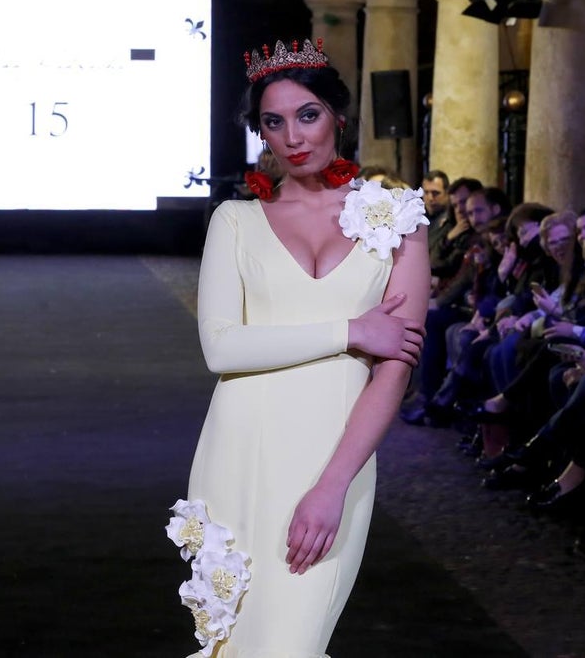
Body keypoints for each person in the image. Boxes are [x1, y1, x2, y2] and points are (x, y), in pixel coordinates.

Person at [170, 39, 430, 658]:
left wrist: (331, 486)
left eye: (308, 114)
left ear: (338, 116)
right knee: (235, 646)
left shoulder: (398, 220)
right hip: (239, 450)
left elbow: (393, 374)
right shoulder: (234, 222)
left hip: (332, 460)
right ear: (259, 131)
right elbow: (221, 349)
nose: (294, 136)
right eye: (274, 121)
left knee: (291, 644)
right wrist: (350, 331)